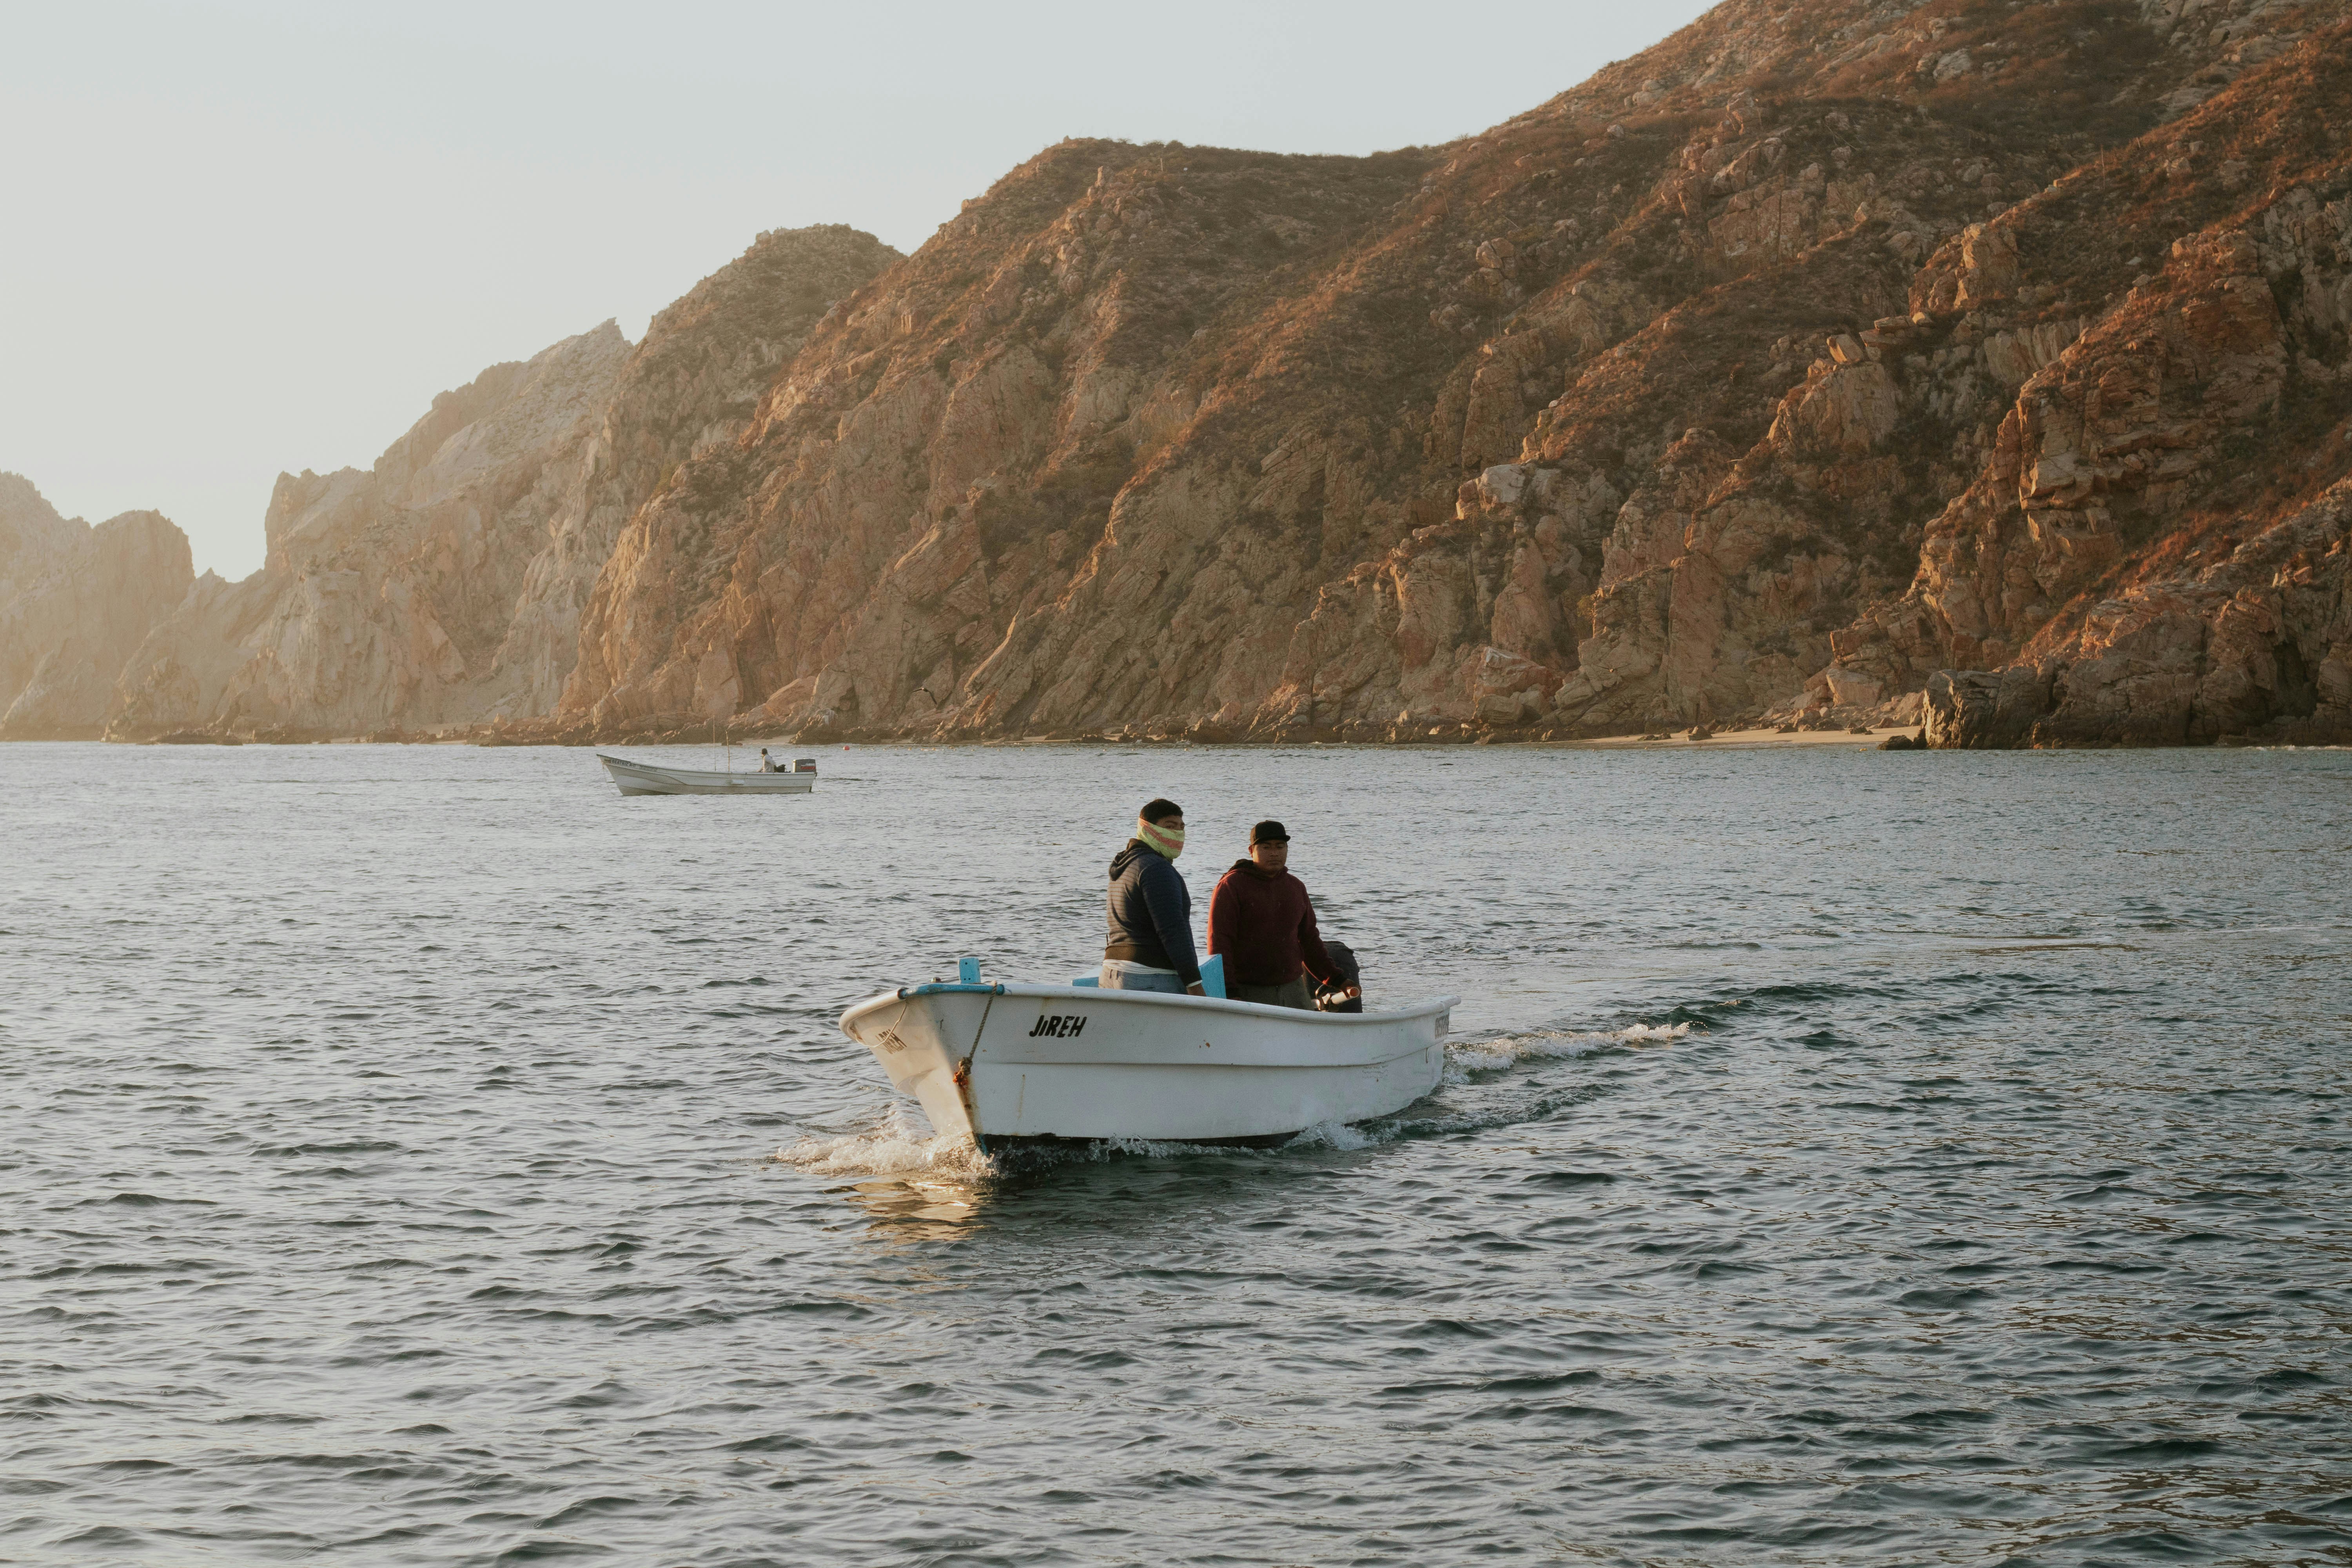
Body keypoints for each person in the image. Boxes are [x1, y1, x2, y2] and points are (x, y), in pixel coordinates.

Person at [1207, 820, 1360, 1010]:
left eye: (1280, 847)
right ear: (1251, 850)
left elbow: (1310, 940)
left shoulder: (1296, 887)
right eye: (1266, 847)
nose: (1274, 853)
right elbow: (1220, 943)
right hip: (1248, 990)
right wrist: (1229, 992)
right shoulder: (1231, 886)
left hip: (1294, 989)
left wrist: (1337, 978)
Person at [1101, 798, 1205, 996]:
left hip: (1113, 972)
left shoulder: (1126, 865)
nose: (1178, 833)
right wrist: (1194, 983)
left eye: (1182, 827)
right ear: (1146, 828)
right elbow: (1172, 929)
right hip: (1149, 977)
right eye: (1170, 826)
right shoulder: (1156, 868)